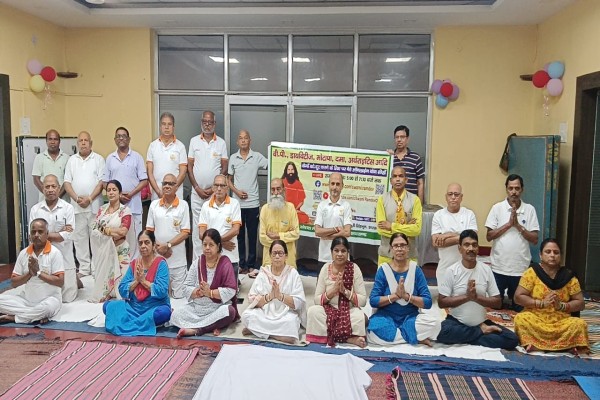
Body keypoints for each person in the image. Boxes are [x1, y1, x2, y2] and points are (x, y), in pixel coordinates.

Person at [436, 230, 518, 350]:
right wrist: (467, 297)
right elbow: (441, 302)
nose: (471, 248)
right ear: (459, 249)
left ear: (478, 248)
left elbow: (497, 302)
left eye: (474, 245)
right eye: (466, 245)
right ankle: (480, 332)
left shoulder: (486, 270)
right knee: (442, 332)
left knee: (512, 339)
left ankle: (469, 335)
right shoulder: (452, 271)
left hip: (481, 322)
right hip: (456, 322)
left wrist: (476, 298)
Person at [514, 239, 589, 354]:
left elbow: (580, 303)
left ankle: (543, 345)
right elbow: (518, 297)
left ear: (560, 256)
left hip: (561, 321)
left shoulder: (568, 276)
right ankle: (562, 346)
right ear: (540, 255)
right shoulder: (532, 272)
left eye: (556, 252)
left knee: (579, 324)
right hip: (536, 318)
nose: (552, 255)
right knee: (520, 319)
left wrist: (562, 306)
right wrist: (541, 303)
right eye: (548, 252)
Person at [367, 233, 440, 346]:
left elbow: (427, 302)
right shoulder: (383, 270)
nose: (399, 249)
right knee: (373, 331)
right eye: (396, 246)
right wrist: (395, 296)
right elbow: (373, 301)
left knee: (435, 325)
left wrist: (406, 296)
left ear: (408, 248)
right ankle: (414, 337)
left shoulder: (416, 270)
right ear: (391, 248)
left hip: (410, 318)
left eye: (402, 245)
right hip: (386, 317)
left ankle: (399, 336)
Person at [170, 229, 239, 338]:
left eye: (211, 245)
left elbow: (230, 290)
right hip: (197, 308)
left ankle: (198, 330)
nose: (207, 248)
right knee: (175, 315)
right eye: (204, 244)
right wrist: (198, 292)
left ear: (218, 246)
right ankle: (214, 326)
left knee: (229, 312)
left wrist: (209, 293)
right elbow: (186, 287)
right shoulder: (197, 263)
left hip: (217, 307)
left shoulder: (225, 263)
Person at [485, 174, 539, 310]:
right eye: (511, 188)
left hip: (520, 268)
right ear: (506, 189)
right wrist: (508, 225)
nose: (514, 192)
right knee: (495, 305)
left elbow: (534, 239)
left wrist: (518, 226)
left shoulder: (529, 209)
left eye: (517, 188)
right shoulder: (497, 208)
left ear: (522, 190)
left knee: (519, 307)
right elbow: (489, 236)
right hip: (499, 267)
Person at [103, 230, 172, 336]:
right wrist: (137, 281)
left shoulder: (160, 264)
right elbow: (122, 289)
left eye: (147, 242)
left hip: (154, 307)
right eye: (140, 243)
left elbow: (162, 291)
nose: (143, 246)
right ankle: (143, 322)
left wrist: (143, 281)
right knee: (107, 306)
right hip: (134, 307)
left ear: (154, 245)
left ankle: (130, 322)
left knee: (164, 313)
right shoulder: (135, 264)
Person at [306, 237, 367, 348]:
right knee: (313, 312)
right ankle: (349, 338)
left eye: (343, 251)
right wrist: (333, 291)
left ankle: (330, 336)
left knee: (359, 317)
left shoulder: (354, 268)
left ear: (348, 253)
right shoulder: (325, 268)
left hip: (348, 310)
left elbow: (363, 301)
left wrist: (345, 291)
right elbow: (317, 300)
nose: (339, 254)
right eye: (336, 250)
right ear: (331, 252)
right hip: (328, 310)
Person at [241, 240, 307, 344]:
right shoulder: (264, 273)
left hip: (285, 313)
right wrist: (270, 296)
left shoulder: (292, 273)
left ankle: (258, 331)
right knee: (247, 315)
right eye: (274, 253)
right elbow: (252, 300)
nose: (277, 256)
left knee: (291, 322)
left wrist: (280, 296)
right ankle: (278, 336)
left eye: (280, 253)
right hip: (264, 311)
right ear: (270, 256)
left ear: (286, 256)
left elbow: (299, 302)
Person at [0, 219, 64, 324]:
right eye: (33, 232)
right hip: (26, 300)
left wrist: (38, 273)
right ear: (29, 235)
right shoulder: (23, 253)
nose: (36, 235)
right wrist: (29, 274)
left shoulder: (55, 253)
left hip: (49, 300)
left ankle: (13, 318)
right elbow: (14, 283)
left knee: (46, 309)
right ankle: (34, 316)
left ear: (47, 234)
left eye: (40, 232)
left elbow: (60, 282)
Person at [30, 175, 79, 303]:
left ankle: (75, 280)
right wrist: (58, 232)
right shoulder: (35, 209)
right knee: (43, 297)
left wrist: (43, 235)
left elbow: (68, 235)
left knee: (67, 298)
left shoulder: (68, 208)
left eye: (53, 186)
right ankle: (76, 280)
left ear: (59, 188)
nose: (50, 189)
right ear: (43, 189)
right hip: (44, 259)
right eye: (47, 187)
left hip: (64, 257)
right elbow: (33, 236)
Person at [63, 131, 105, 277]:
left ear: (91, 143)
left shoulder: (98, 159)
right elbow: (67, 182)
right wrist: (76, 199)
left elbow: (101, 182)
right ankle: (84, 269)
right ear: (77, 144)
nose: (83, 143)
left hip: (94, 207)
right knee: (79, 239)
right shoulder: (71, 160)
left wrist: (90, 199)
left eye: (86, 140)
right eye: (80, 141)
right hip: (77, 207)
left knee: (96, 238)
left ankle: (96, 268)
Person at [188, 111, 229, 259]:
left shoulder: (221, 143)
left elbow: (225, 167)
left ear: (214, 124)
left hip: (214, 194)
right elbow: (189, 167)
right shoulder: (194, 141)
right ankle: (197, 262)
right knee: (197, 228)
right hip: (197, 193)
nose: (207, 124)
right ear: (201, 123)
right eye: (205, 122)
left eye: (210, 122)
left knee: (213, 226)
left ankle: (213, 261)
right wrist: (197, 188)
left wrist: (214, 188)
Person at [228, 129, 268, 276]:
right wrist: (237, 192)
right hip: (237, 204)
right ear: (237, 141)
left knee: (252, 236)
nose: (243, 140)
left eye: (246, 138)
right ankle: (241, 264)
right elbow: (228, 180)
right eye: (241, 138)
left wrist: (276, 150)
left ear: (250, 140)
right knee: (238, 236)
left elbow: (271, 162)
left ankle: (251, 265)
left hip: (253, 204)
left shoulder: (257, 157)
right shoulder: (233, 158)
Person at [89, 180, 135, 303]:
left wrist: (106, 231)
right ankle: (108, 293)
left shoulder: (125, 211)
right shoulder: (102, 210)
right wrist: (111, 232)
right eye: (108, 190)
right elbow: (95, 229)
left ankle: (117, 293)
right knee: (104, 278)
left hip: (120, 250)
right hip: (105, 250)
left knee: (123, 286)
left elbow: (123, 231)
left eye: (114, 190)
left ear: (120, 193)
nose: (111, 192)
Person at [146, 173, 191, 298]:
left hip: (178, 262)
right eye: (164, 183)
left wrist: (168, 245)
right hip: (158, 260)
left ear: (176, 187)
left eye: (171, 184)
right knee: (159, 297)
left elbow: (185, 232)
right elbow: (149, 231)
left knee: (179, 298)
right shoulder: (154, 205)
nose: (167, 186)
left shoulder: (183, 205)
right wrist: (160, 248)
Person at [103, 126, 148, 246]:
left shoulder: (137, 157)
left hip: (134, 205)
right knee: (117, 240)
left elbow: (144, 180)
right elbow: (104, 182)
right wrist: (118, 196)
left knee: (135, 240)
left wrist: (130, 194)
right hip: (115, 208)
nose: (121, 138)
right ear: (115, 140)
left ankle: (135, 259)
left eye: (124, 136)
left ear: (129, 139)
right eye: (118, 136)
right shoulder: (110, 158)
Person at [431, 183, 478, 284]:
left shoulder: (469, 214)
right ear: (446, 197)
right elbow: (436, 242)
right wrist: (462, 237)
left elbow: (472, 239)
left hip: (466, 270)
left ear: (461, 197)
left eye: (456, 194)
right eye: (450, 194)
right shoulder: (438, 215)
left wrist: (447, 235)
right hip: (445, 270)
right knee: (445, 294)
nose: (453, 197)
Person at [199, 175, 242, 283]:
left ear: (227, 188)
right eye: (216, 185)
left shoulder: (234, 204)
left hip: (231, 257)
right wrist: (220, 243)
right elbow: (201, 234)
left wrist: (217, 242)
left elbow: (236, 230)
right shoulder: (205, 206)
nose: (219, 188)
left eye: (222, 185)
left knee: (231, 290)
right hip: (211, 260)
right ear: (213, 187)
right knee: (211, 290)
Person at [376, 166, 422, 265]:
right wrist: (407, 227)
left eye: (401, 176)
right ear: (390, 181)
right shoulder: (382, 199)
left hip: (409, 255)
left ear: (406, 180)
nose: (397, 179)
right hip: (386, 255)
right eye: (395, 176)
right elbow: (381, 229)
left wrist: (392, 226)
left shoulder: (415, 200)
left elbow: (416, 229)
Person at [259, 178, 300, 269]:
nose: (276, 193)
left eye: (278, 189)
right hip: (269, 260)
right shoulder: (265, 209)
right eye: (273, 189)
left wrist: (277, 236)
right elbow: (262, 238)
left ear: (283, 190)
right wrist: (286, 236)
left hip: (288, 260)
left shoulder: (290, 208)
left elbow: (296, 233)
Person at [146, 112, 187, 201]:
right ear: (160, 127)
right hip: (157, 195)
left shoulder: (180, 146)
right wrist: (158, 191)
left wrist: (171, 190)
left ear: (173, 127)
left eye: (169, 124)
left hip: (176, 194)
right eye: (164, 124)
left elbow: (183, 173)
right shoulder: (153, 146)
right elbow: (150, 173)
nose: (167, 127)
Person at [314, 173, 352, 267]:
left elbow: (347, 232)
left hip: (342, 257)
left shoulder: (346, 205)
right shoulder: (322, 205)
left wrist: (326, 236)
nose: (335, 187)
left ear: (342, 186)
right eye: (332, 183)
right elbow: (317, 231)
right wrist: (335, 229)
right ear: (329, 185)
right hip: (324, 257)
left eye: (338, 184)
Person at [390, 125, 425, 203]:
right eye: (397, 137)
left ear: (407, 139)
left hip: (411, 203)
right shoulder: (390, 158)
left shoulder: (415, 158)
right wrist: (386, 157)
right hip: (392, 203)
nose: (399, 140)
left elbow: (420, 183)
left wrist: (420, 204)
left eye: (402, 137)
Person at [32, 129, 69, 201]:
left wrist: (57, 197)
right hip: (44, 201)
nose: (52, 142)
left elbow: (68, 180)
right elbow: (36, 180)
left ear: (59, 141)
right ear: (46, 141)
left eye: (55, 139)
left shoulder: (67, 158)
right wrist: (48, 194)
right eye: (50, 139)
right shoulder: (39, 158)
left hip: (63, 201)